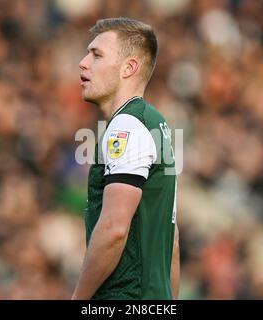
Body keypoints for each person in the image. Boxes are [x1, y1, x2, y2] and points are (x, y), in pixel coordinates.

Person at [72, 17, 179, 300]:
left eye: (96, 55)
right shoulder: (156, 124)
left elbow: (114, 229)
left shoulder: (126, 127)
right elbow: (171, 243)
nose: (83, 63)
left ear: (129, 67)